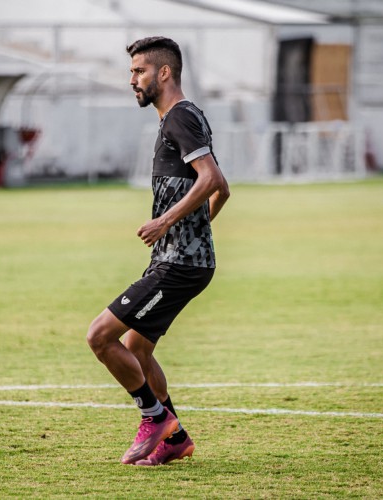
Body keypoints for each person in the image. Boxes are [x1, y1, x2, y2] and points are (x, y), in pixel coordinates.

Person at [86, 36, 230, 466]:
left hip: (178, 264)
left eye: (139, 71)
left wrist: (169, 224)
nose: (133, 80)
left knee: (100, 337)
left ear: (164, 73)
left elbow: (208, 178)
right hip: (183, 259)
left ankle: (154, 418)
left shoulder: (179, 119)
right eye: (132, 72)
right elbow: (221, 187)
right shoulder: (184, 118)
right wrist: (196, 230)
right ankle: (175, 438)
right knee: (137, 346)